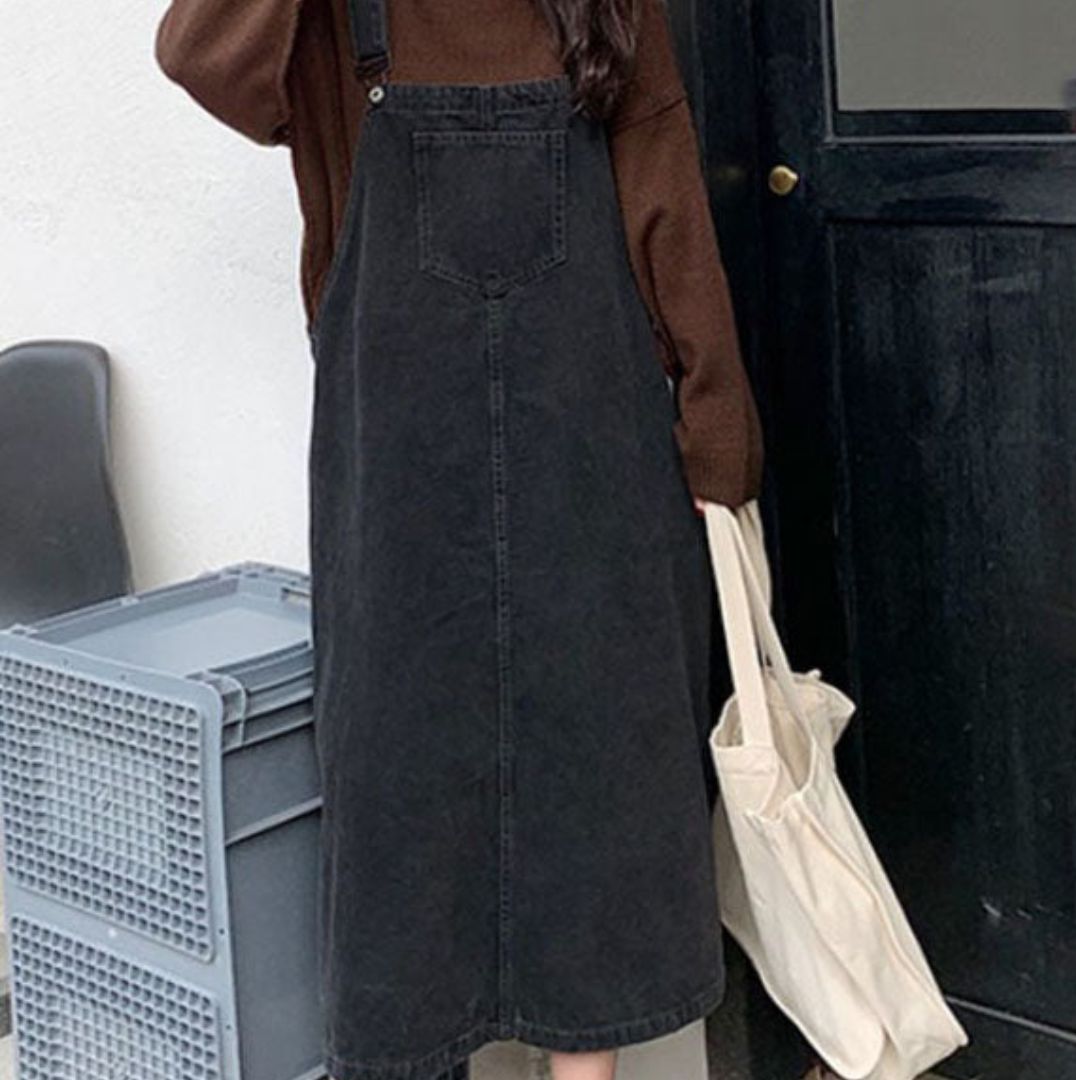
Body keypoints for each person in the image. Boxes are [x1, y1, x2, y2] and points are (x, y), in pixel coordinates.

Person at [154, 1, 765, 1078]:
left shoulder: (606, 5)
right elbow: (197, 56)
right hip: (400, 470)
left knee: (601, 763)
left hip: (596, 451)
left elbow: (665, 185)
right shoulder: (331, 20)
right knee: (401, 768)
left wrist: (717, 426)